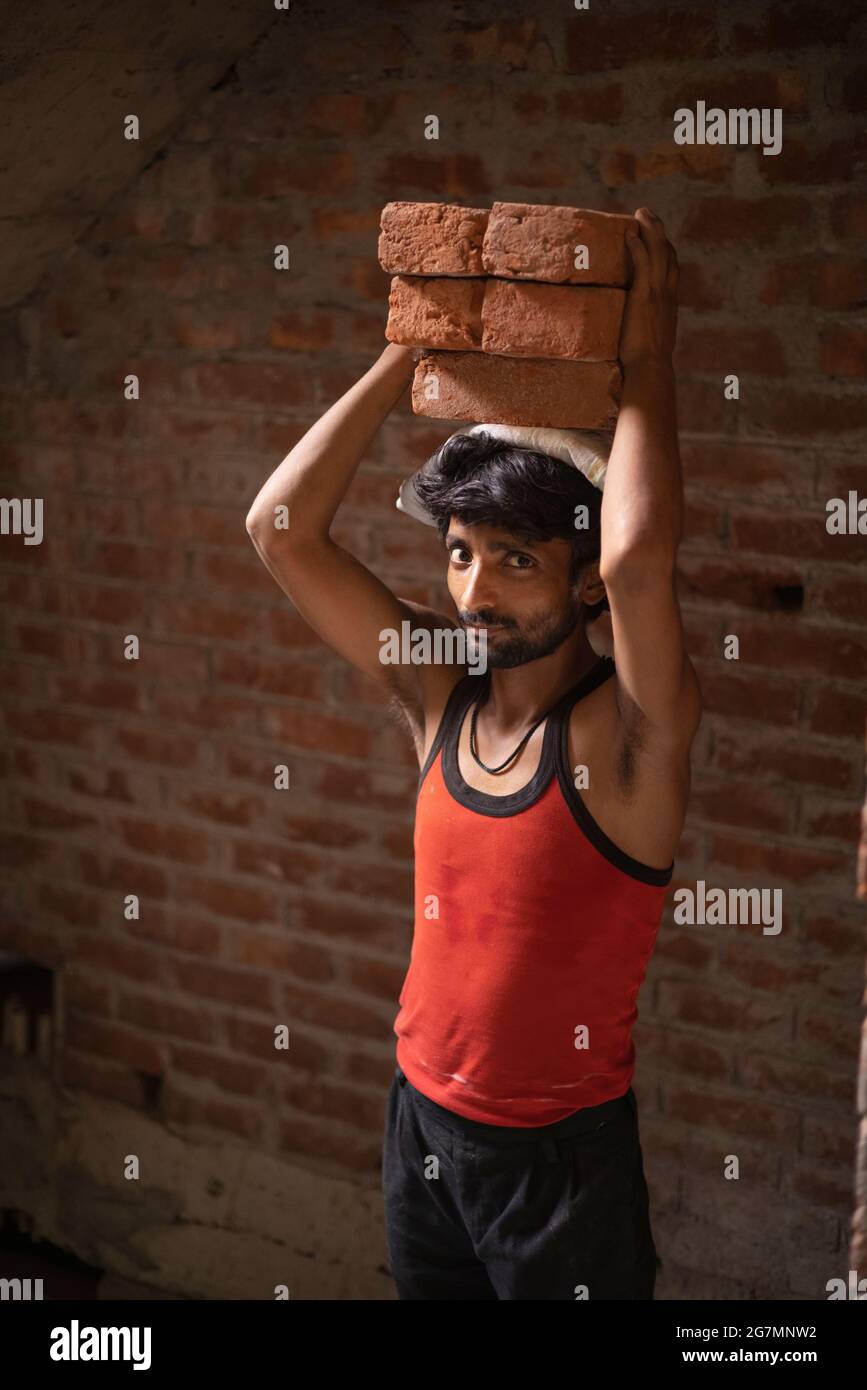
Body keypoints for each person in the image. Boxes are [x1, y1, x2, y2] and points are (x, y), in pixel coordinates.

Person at [245, 205, 702, 1300]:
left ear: (582, 579)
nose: (475, 591)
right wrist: (411, 346)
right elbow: (278, 528)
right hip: (421, 1128)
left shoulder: (634, 738)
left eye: (516, 560)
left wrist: (646, 360)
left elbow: (638, 554)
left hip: (560, 1167)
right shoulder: (436, 690)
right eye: (458, 555)